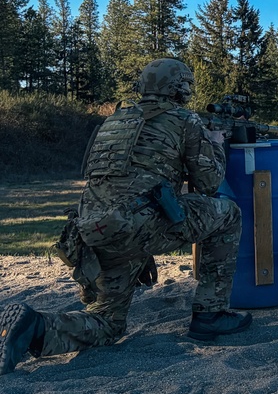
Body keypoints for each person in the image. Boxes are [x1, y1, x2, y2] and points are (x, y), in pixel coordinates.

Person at [0, 58, 251, 375]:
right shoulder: (184, 120)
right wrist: (215, 144)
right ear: (178, 88)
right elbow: (208, 183)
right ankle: (210, 315)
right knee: (228, 214)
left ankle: (33, 327)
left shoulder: (113, 121)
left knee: (107, 323)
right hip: (140, 225)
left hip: (94, 229)